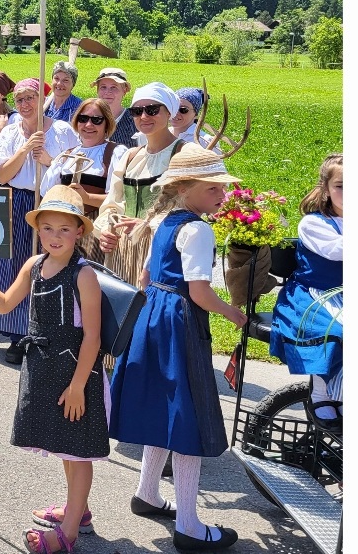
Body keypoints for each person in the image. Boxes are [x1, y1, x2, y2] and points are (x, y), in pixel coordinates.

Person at [108, 144, 248, 553]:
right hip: (181, 320)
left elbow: (148, 273)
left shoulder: (164, 219)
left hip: (154, 312)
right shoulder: (198, 229)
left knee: (166, 409)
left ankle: (147, 492)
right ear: (186, 187)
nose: (222, 196)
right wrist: (234, 314)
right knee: (188, 416)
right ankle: (188, 524)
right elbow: (201, 292)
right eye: (214, 189)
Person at [0, 186, 107, 554]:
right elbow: (6, 304)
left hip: (77, 372)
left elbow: (92, 338)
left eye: (64, 229)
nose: (55, 236)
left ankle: (69, 532)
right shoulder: (34, 266)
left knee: (79, 451)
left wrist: (77, 387)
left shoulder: (84, 275)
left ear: (78, 232)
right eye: (48, 228)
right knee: (64, 444)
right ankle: (78, 509)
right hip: (43, 367)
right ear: (38, 229)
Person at [0, 78, 80, 364]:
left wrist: (49, 159)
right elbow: (0, 174)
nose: (25, 104)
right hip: (14, 202)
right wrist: (24, 149)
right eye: (20, 99)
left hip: (47, 204)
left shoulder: (61, 131)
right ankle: (16, 336)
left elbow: (73, 169)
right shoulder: (11, 133)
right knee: (11, 266)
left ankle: (44, 333)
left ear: (42, 100)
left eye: (30, 98)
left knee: (44, 266)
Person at [269, 153, 344, 432]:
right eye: (341, 186)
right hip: (316, 294)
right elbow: (336, 250)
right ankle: (323, 393)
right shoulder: (314, 223)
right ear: (326, 189)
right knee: (337, 331)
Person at [94, 83, 190, 286]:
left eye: (152, 110)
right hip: (123, 254)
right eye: (137, 111)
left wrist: (147, 225)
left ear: (169, 112)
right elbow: (112, 204)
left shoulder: (183, 154)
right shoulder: (131, 156)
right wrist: (105, 231)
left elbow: (191, 210)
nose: (144, 116)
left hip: (162, 252)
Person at [40, 98, 129, 262]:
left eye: (96, 120)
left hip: (95, 229)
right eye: (83, 118)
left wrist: (86, 198)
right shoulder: (66, 156)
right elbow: (47, 193)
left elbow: (120, 200)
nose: (89, 125)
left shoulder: (116, 153)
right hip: (63, 231)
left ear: (107, 124)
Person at [93, 67, 137, 147]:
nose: (108, 92)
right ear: (97, 90)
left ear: (124, 91)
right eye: (103, 87)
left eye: (114, 87)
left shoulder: (134, 120)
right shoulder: (88, 118)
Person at [170, 87, 220, 153]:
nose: (176, 113)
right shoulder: (163, 133)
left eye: (183, 110)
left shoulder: (205, 141)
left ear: (196, 114)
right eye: (174, 108)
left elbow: (217, 163)